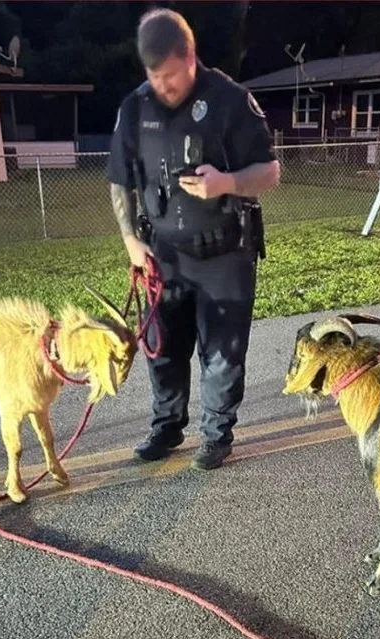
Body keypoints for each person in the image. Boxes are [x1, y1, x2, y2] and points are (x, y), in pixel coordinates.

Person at [106, 8, 280, 471]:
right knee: (163, 349)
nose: (162, 86)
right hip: (164, 254)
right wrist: (129, 239)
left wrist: (225, 183)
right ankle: (167, 427)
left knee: (222, 354)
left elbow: (270, 171)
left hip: (225, 253)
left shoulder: (228, 100)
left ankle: (216, 434)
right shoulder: (135, 107)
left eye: (170, 76)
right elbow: (120, 181)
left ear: (190, 57)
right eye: (153, 75)